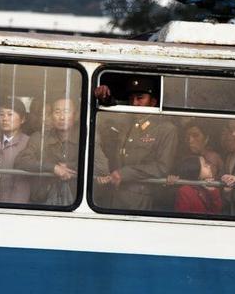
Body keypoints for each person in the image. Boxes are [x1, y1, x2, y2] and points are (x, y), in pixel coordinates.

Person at [95, 77, 178, 211]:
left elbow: (162, 167)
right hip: (115, 193)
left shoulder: (166, 129)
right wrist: (105, 99)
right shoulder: (127, 123)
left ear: (153, 102)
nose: (134, 103)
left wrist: (125, 173)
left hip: (142, 197)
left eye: (140, 98)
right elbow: (110, 118)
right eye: (132, 99)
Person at [15, 97, 80, 205]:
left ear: (75, 115)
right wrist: (53, 167)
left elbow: (101, 168)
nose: (62, 117)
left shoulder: (85, 138)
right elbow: (21, 161)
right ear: (52, 116)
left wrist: (70, 167)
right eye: (57, 112)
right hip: (42, 199)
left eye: (66, 112)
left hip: (76, 199)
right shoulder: (39, 137)